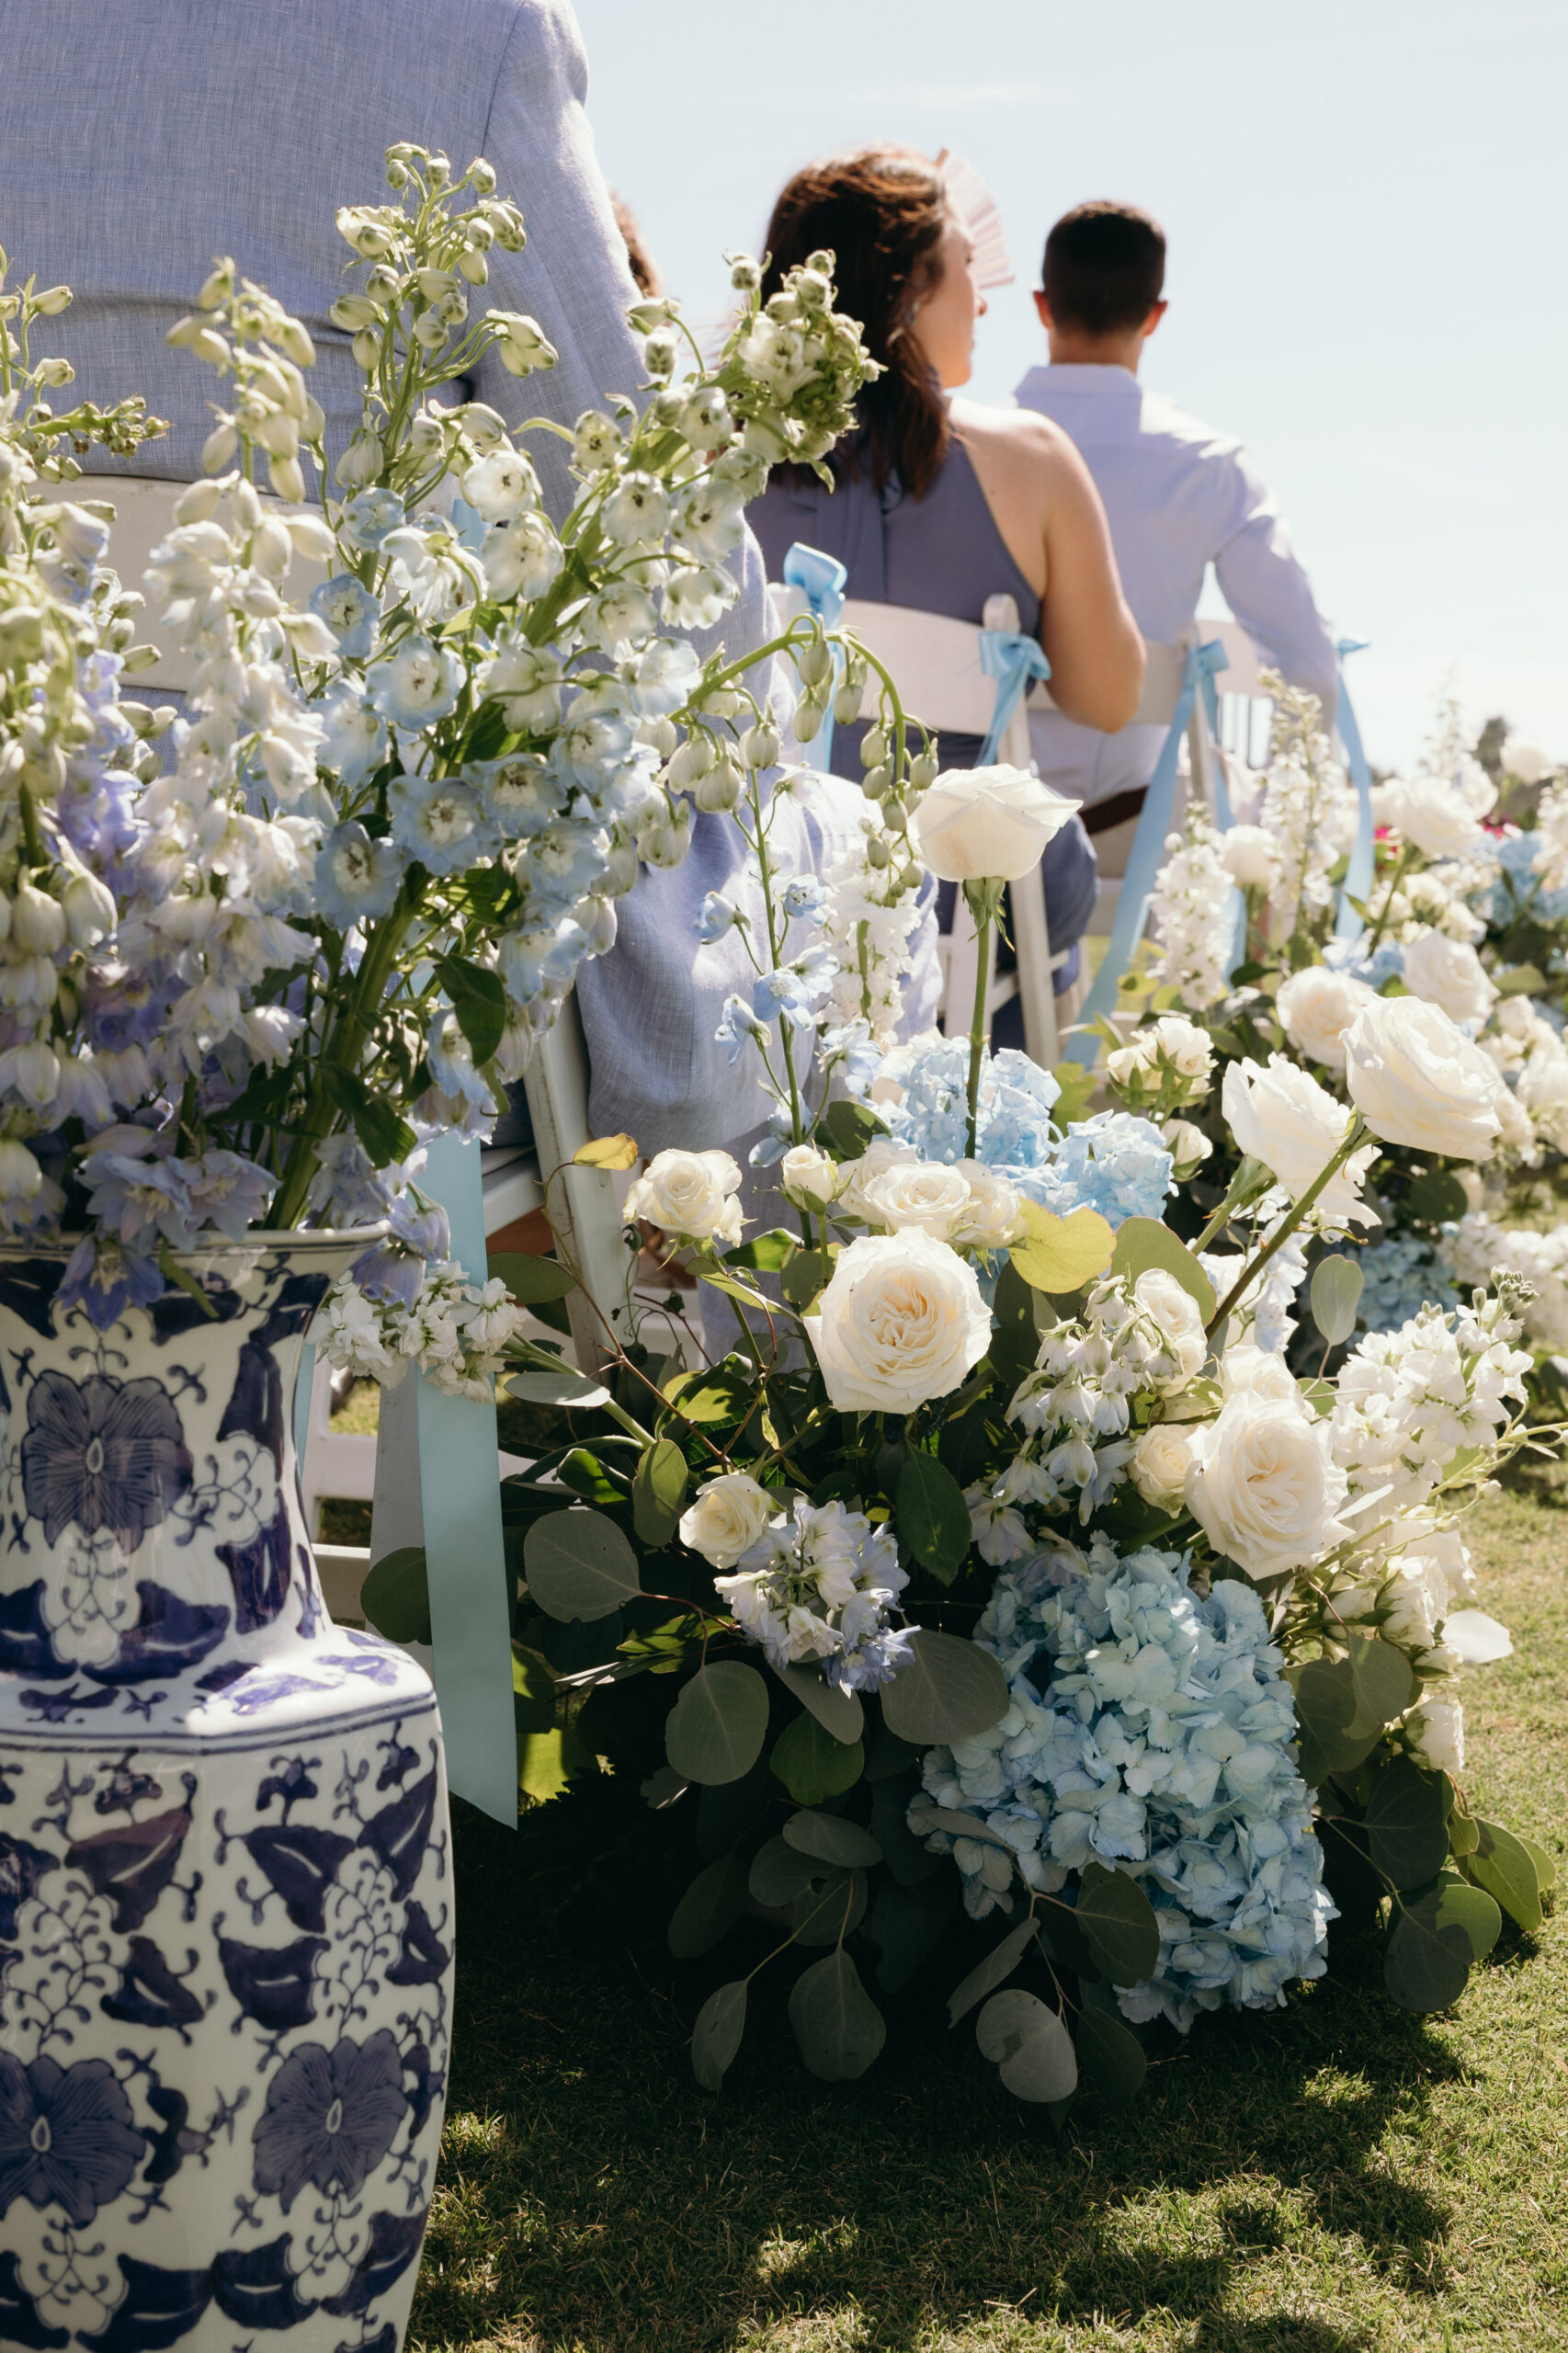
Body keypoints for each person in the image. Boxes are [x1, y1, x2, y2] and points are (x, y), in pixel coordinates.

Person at [0, 0, 910, 1170]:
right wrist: (751, 697)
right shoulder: (468, 31)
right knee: (829, 867)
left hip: (31, 879)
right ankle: (773, 1308)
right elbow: (611, 454)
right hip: (327, 968)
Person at [746, 147, 1144, 1029]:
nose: (985, 296)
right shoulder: (1032, 462)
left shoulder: (715, 463)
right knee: (1036, 895)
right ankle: (992, 1115)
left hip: (766, 895)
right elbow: (1110, 698)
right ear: (910, 288)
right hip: (968, 908)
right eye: (966, 266)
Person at [1016, 200, 1340, 858]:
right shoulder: (1208, 465)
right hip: (1141, 829)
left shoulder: (961, 446)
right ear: (1155, 316)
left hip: (986, 821)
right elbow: (1311, 670)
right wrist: (1280, 841)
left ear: (1042, 306)